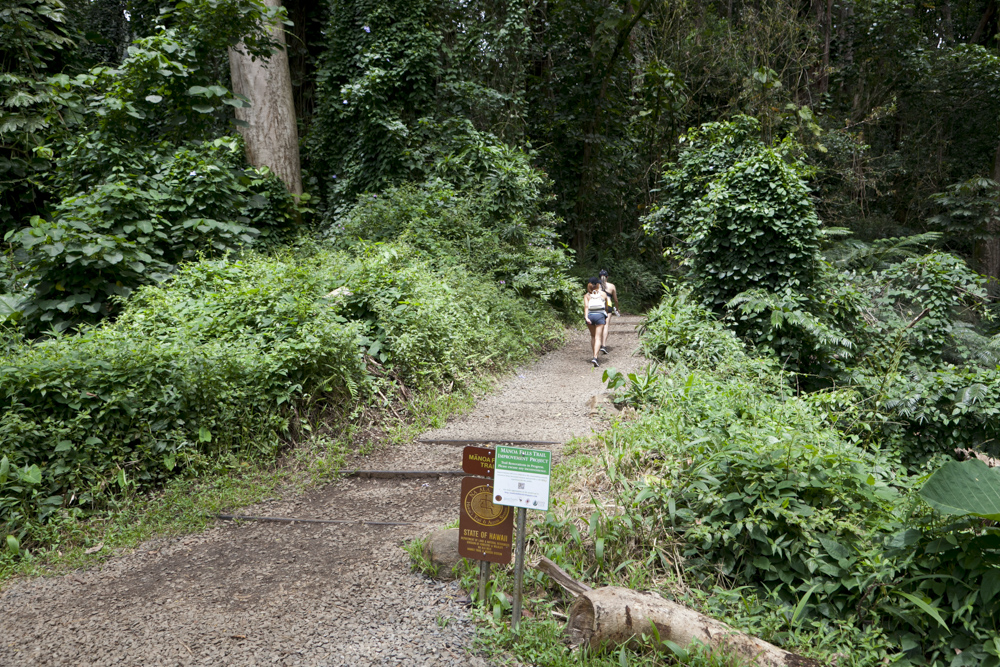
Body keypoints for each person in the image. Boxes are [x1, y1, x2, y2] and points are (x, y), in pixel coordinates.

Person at [584, 277, 607, 367]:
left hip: (590, 316)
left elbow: (586, 307)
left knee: (593, 336)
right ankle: (595, 357)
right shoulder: (603, 294)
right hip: (600, 315)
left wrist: (586, 317)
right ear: (598, 284)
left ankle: (594, 354)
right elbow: (606, 306)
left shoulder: (587, 295)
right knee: (598, 338)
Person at [598, 269, 620, 353]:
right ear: (607, 277)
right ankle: (603, 345)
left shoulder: (596, 285)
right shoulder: (611, 286)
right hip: (608, 306)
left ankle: (598, 343)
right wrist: (617, 309)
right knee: (606, 325)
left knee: (599, 325)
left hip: (598, 306)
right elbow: (616, 300)